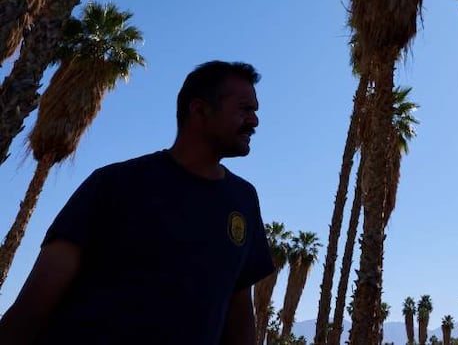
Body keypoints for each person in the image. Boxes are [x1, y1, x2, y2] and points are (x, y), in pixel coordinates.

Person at [0, 60, 275, 344]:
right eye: (245, 109)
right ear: (200, 109)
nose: (254, 121)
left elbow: (239, 311)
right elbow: (34, 304)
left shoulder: (243, 200)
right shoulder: (114, 184)